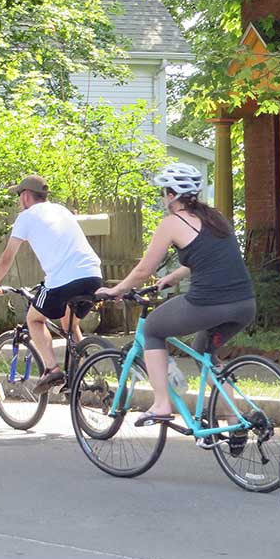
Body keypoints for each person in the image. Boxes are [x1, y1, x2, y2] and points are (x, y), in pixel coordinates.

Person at [96, 163, 256, 426]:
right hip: (244, 305)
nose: (163, 197)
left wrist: (116, 290)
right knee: (204, 350)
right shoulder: (215, 218)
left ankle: (161, 404)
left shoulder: (172, 222)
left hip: (209, 305)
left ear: (171, 195)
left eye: (163, 192)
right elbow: (208, 256)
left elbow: (143, 269)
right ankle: (234, 420)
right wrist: (174, 276)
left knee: (153, 331)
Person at [0, 175, 103, 394]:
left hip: (62, 280)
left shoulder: (26, 217)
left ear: (27, 196)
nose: (19, 201)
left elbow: (7, 256)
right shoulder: (62, 210)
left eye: (19, 196)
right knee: (69, 324)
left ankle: (51, 369)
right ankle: (89, 371)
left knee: (35, 318)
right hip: (93, 275)